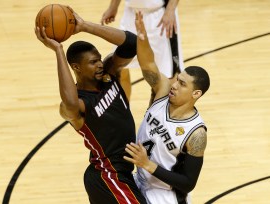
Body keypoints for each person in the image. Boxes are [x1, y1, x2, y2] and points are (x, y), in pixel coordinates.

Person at [34, 7, 147, 204]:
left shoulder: (109, 74)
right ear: (76, 67)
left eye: (99, 59)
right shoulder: (79, 105)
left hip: (123, 172)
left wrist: (85, 26)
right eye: (93, 62)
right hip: (108, 175)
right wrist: (58, 50)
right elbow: (69, 102)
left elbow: (132, 44)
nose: (100, 65)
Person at [123, 12, 210, 203]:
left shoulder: (196, 134)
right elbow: (148, 64)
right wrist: (142, 36)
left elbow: (188, 183)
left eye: (183, 84)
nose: (175, 86)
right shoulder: (162, 91)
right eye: (178, 80)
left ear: (196, 94)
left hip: (164, 195)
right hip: (140, 179)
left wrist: (148, 164)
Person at [101, 0, 184, 100]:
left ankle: (163, 112)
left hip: (160, 15)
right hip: (131, 14)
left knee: (167, 74)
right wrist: (113, 6)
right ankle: (125, 111)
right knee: (120, 68)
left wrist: (170, 10)